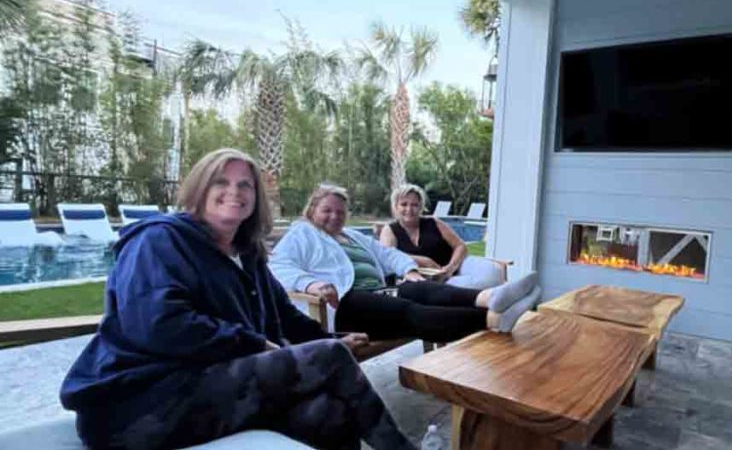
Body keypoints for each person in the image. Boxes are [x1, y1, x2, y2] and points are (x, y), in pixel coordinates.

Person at [60, 149, 415, 450]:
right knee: (333, 363)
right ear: (200, 188)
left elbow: (286, 317)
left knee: (328, 413)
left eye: (245, 185)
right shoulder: (158, 242)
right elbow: (159, 325)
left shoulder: (246, 254)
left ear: (256, 197)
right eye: (221, 182)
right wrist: (256, 343)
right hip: (137, 404)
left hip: (205, 388)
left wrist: (332, 340)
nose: (235, 192)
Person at [269, 184, 540, 343]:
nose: (335, 216)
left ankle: (492, 297)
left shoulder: (351, 235)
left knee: (420, 288)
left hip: (377, 293)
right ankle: (494, 318)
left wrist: (408, 270)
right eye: (327, 210)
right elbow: (277, 267)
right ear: (312, 210)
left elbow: (389, 255)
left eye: (340, 211)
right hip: (343, 303)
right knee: (409, 309)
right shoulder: (302, 233)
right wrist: (312, 283)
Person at [379, 184, 500, 289]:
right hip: (422, 279)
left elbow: (460, 246)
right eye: (404, 204)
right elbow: (388, 256)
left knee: (493, 271)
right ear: (395, 207)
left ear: (421, 206)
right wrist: (424, 261)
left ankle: (458, 288)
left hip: (454, 268)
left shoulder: (434, 223)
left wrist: (450, 268)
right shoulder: (390, 230)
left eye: (414, 205)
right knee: (483, 282)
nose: (409, 209)